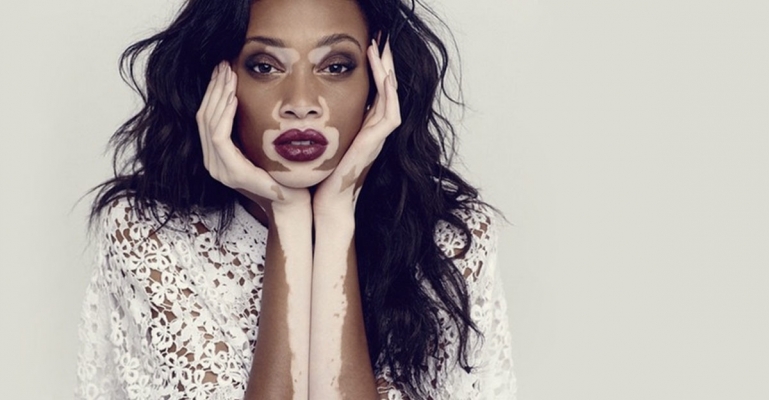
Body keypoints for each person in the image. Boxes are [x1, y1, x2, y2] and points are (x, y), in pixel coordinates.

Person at [76, 0, 516, 398]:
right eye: (265, 66)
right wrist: (285, 216)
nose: (302, 103)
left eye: (336, 66)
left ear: (379, 86)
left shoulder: (453, 242)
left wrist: (336, 214)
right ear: (216, 81)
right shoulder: (148, 233)